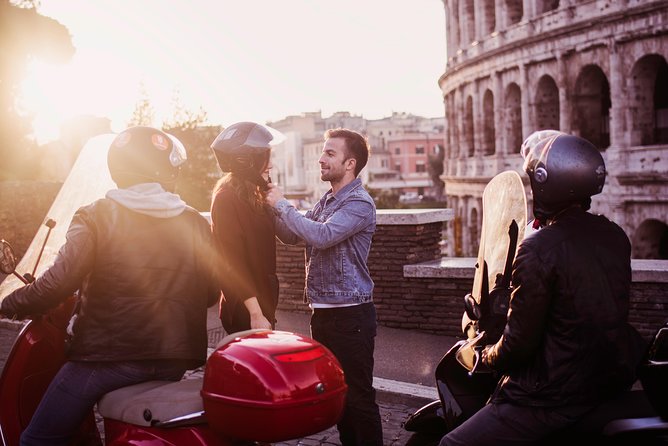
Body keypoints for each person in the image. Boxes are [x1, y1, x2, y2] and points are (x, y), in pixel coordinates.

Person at [0, 126, 220, 446]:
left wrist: (9, 303)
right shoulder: (195, 222)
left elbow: (58, 282)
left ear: (118, 167)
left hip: (110, 357)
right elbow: (210, 293)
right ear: (166, 170)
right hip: (176, 358)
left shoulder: (96, 216)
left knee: (37, 439)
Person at [439, 131, 646, 446]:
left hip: (553, 391)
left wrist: (486, 356)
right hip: (607, 376)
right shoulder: (614, 236)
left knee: (452, 444)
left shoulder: (540, 247)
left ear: (543, 184)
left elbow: (520, 342)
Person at [266, 127, 383, 446]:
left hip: (351, 317)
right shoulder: (329, 199)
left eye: (330, 153)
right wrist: (265, 201)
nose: (321, 158)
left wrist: (282, 205)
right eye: (323, 152)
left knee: (359, 399)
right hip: (326, 315)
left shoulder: (359, 204)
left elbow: (322, 236)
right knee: (339, 396)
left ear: (350, 164)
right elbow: (293, 235)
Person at [209, 121, 295, 333]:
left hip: (263, 301)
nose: (271, 165)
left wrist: (279, 202)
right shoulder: (226, 199)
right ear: (246, 161)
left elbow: (291, 235)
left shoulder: (256, 198)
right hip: (245, 308)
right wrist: (255, 313)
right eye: (266, 157)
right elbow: (231, 262)